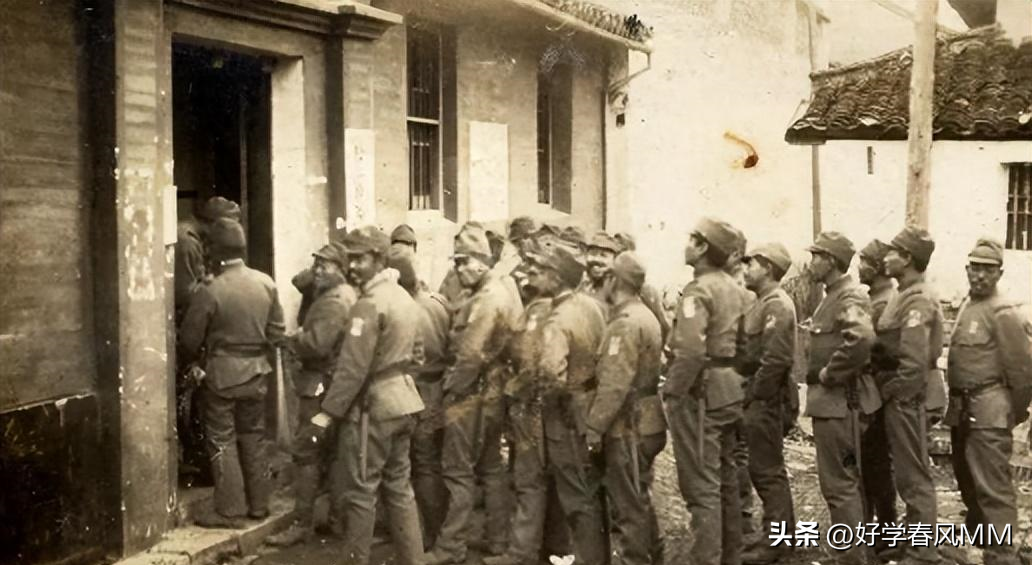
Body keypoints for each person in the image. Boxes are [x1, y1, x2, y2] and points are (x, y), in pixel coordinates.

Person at [299, 225, 426, 565]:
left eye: (359, 259)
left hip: (374, 409)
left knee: (360, 493)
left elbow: (352, 369)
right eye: (350, 259)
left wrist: (327, 413)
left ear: (379, 259)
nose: (352, 266)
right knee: (399, 489)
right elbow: (418, 356)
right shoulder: (404, 297)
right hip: (404, 401)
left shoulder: (368, 305)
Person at [178, 218, 285, 528]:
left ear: (214, 251)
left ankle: (229, 511)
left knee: (222, 439)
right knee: (253, 437)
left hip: (222, 376)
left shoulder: (211, 290)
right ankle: (259, 505)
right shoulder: (266, 283)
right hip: (257, 373)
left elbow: (189, 341)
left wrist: (195, 361)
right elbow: (277, 332)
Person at [426, 223, 521, 565]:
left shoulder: (487, 299)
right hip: (493, 391)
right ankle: (497, 538)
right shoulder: (499, 289)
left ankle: (451, 546)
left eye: (463, 262)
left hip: (472, 393)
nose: (458, 269)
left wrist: (450, 390)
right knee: (490, 466)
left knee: (457, 469)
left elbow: (470, 354)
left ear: (481, 261)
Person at [663, 217, 747, 565]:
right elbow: (745, 346)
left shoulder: (698, 291)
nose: (687, 245)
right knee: (726, 480)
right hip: (729, 389)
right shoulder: (737, 289)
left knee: (702, 486)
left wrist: (673, 391)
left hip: (701, 393)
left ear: (702, 248)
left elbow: (690, 352)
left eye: (692, 239)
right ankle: (731, 557)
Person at [946, 238, 1032, 565]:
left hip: (988, 411)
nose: (980, 275)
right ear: (967, 269)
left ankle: (1002, 557)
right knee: (969, 484)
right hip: (962, 412)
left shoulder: (1004, 312)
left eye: (988, 270)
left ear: (999, 274)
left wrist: (1011, 412)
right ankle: (985, 551)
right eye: (975, 268)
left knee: (992, 488)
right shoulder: (969, 305)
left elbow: (1022, 373)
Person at [268, 242, 357, 546]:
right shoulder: (343, 293)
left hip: (318, 386)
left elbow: (317, 345)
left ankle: (302, 524)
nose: (317, 270)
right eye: (316, 264)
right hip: (332, 385)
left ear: (340, 269)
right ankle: (336, 520)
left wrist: (294, 339)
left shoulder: (333, 301)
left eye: (325, 265)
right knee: (331, 454)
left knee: (307, 451)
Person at [584, 252, 667, 565]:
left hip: (629, 423)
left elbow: (614, 384)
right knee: (639, 496)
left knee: (626, 505)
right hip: (647, 418)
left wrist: (594, 428)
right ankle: (654, 555)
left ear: (613, 280)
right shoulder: (644, 315)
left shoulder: (625, 323)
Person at [803, 231, 878, 565]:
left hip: (839, 403)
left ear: (831, 261)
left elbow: (861, 339)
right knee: (842, 484)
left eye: (816, 256)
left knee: (839, 485)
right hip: (832, 404)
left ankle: (851, 558)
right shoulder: (833, 296)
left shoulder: (848, 296)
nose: (811, 262)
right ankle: (852, 554)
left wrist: (829, 374)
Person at [533, 243, 608, 565]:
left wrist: (546, 401)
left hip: (567, 411)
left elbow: (551, 372)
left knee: (576, 495)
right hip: (592, 403)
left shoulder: (558, 318)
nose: (536, 276)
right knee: (591, 490)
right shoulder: (591, 306)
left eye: (542, 271)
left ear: (555, 277)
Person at [871, 227, 942, 564]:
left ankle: (923, 552)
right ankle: (913, 540)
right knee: (906, 474)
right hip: (900, 396)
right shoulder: (904, 294)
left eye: (893, 252)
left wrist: (892, 393)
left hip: (908, 397)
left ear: (908, 258)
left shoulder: (918, 299)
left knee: (914, 477)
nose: (886, 258)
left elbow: (913, 363)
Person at [174, 196, 243, 486]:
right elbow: (185, 293)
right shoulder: (187, 241)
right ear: (213, 223)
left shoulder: (191, 237)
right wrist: (214, 286)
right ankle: (196, 465)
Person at [738, 243, 797, 565]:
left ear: (769, 269)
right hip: (759, 396)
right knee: (762, 469)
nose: (746, 269)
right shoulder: (761, 303)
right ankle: (778, 536)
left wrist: (753, 396)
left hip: (767, 399)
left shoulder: (777, 305)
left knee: (767, 471)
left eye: (752, 264)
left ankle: (779, 542)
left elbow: (775, 361)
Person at [389, 247, 452, 548]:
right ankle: (436, 530)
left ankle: (427, 534)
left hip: (414, 388)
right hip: (438, 387)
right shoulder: (439, 303)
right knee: (433, 462)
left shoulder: (401, 309)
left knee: (420, 464)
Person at [856, 239, 899, 540]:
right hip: (872, 393)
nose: (860, 267)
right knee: (871, 465)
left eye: (866, 261)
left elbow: (884, 355)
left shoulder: (883, 303)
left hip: (877, 395)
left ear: (880, 268)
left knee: (877, 465)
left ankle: (885, 534)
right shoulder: (875, 300)